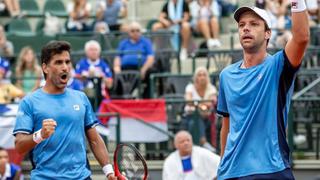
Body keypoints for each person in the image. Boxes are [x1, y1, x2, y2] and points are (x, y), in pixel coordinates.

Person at [217, 1, 309, 179]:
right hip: (231, 173)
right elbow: (227, 126)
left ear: (268, 33)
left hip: (271, 170)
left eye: (254, 24)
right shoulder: (226, 75)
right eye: (242, 25)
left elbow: (302, 37)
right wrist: (222, 166)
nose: (246, 28)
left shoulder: (278, 66)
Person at [13, 41, 117, 180]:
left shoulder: (81, 98)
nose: (65, 67)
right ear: (45, 68)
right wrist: (40, 135)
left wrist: (109, 172)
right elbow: (19, 146)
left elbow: (95, 140)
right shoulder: (29, 102)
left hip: (82, 177)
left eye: (67, 62)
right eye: (58, 62)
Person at [114, 21, 155, 97]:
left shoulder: (146, 42)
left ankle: (147, 98)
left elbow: (151, 58)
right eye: (132, 31)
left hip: (141, 68)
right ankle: (118, 99)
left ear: (141, 32)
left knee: (151, 72)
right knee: (115, 74)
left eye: (137, 30)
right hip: (125, 68)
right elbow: (118, 57)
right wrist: (117, 67)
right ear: (129, 32)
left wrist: (144, 69)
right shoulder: (123, 43)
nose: (135, 33)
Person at [182, 66, 217, 151]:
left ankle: (194, 147)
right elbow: (188, 101)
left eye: (204, 75)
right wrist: (201, 105)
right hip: (189, 115)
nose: (202, 77)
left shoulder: (211, 88)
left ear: (207, 77)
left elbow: (211, 102)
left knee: (194, 122)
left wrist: (196, 103)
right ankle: (203, 143)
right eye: (199, 75)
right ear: (195, 77)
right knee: (194, 121)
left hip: (206, 117)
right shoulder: (190, 87)